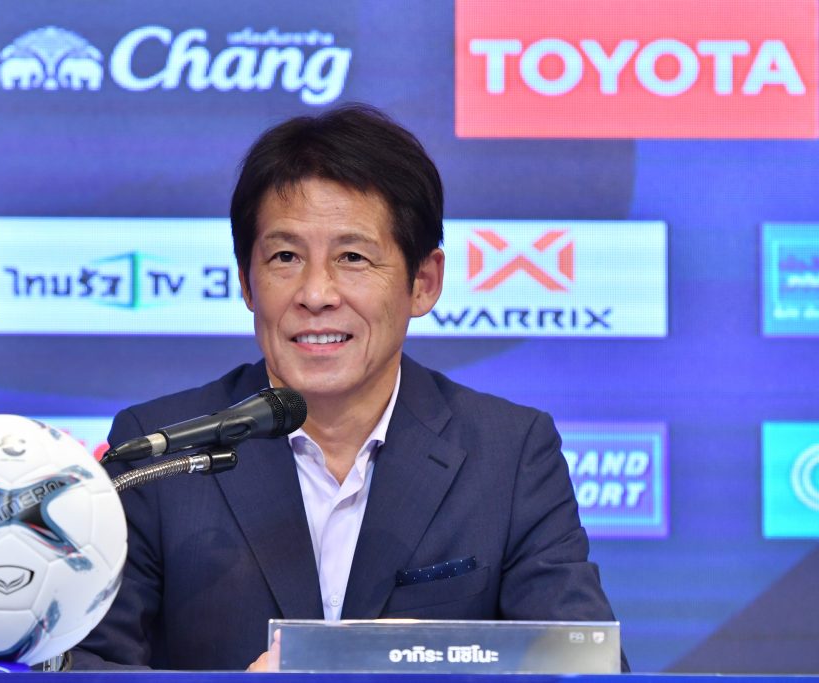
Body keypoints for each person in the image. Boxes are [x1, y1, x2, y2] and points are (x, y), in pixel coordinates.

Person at [69, 104, 624, 671]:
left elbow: (585, 670)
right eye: (285, 257)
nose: (316, 294)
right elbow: (87, 665)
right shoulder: (160, 453)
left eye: (352, 257)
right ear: (246, 283)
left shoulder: (508, 454)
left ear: (423, 282)